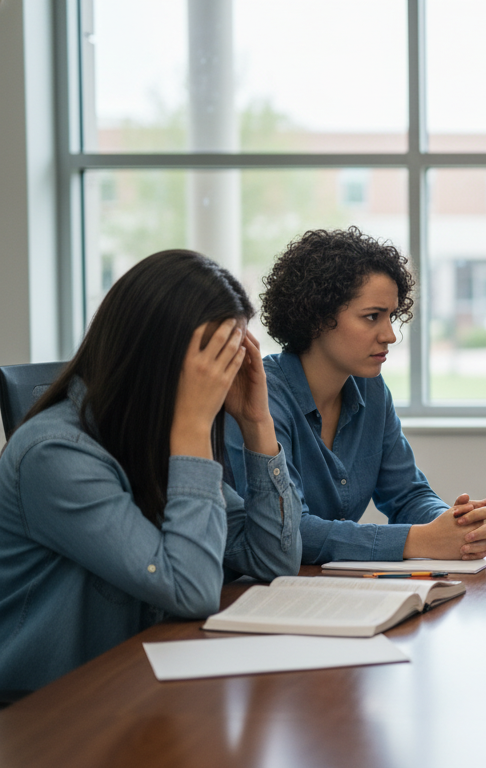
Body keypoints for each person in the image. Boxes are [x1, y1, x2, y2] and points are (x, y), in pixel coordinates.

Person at [0, 251, 301, 692]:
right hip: (48, 714)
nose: (224, 379)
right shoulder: (56, 455)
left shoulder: (154, 434)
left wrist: (257, 424)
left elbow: (273, 558)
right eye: (214, 365)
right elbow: (191, 590)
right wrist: (195, 426)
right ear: (159, 356)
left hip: (132, 682)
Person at [225, 227, 486, 565]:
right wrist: (418, 540)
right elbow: (288, 532)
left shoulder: (371, 389)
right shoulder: (258, 397)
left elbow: (407, 494)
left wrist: (456, 525)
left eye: (391, 316)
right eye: (372, 317)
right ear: (318, 317)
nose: (390, 335)